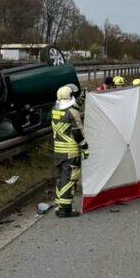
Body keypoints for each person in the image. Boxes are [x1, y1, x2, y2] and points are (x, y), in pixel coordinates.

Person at [52, 85, 89, 217]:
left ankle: (59, 206)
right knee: (70, 179)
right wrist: (85, 148)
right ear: (70, 97)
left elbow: (73, 106)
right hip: (71, 151)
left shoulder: (55, 109)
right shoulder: (72, 113)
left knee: (61, 177)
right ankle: (65, 210)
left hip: (58, 151)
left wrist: (83, 96)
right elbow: (77, 133)